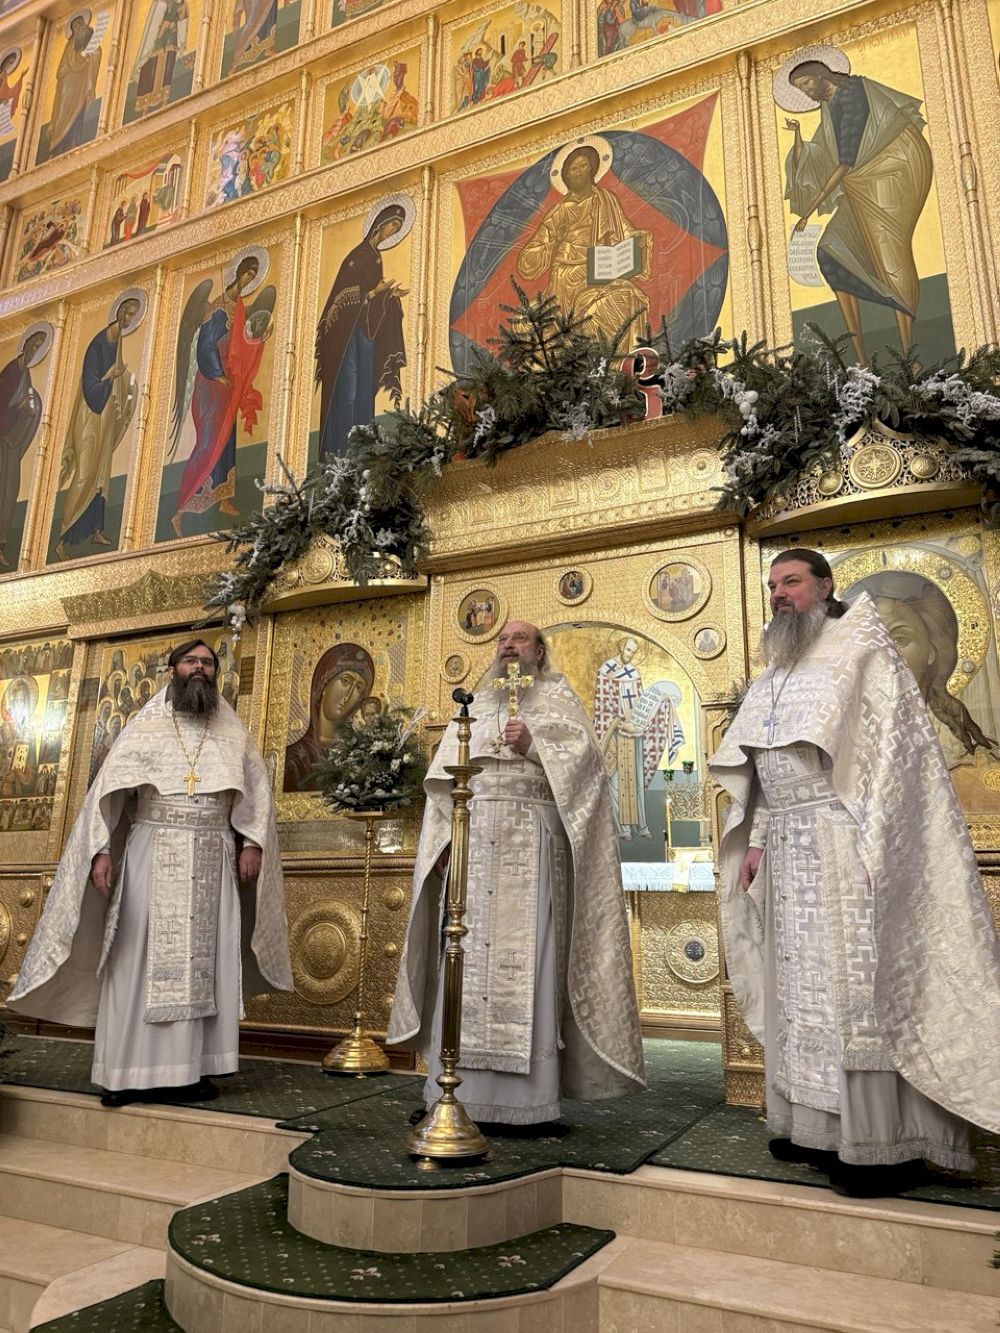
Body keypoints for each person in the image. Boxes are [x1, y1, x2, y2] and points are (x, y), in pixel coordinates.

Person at [710, 549, 999, 1196]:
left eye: (791, 581)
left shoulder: (862, 651)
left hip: (846, 845)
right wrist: (757, 838)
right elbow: (765, 766)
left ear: (824, 585)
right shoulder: (779, 666)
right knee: (799, 992)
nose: (779, 593)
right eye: (773, 584)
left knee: (855, 995)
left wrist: (882, 847)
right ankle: (810, 1128)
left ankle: (877, 1145)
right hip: (790, 848)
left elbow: (894, 762)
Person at [8, 639, 292, 1107]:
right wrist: (100, 851)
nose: (199, 668)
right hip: (152, 851)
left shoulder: (232, 729)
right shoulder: (145, 725)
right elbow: (107, 792)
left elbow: (257, 792)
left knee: (207, 961)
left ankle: (190, 1071)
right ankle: (125, 1073)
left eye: (207, 662)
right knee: (134, 956)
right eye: (191, 661)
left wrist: (253, 842)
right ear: (172, 669)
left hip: (214, 854)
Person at [389, 620, 645, 1125]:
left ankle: (527, 1105)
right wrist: (442, 842)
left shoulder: (558, 698)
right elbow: (442, 785)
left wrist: (534, 744)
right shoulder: (475, 703)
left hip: (531, 847)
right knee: (461, 957)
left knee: (530, 962)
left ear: (539, 651)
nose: (509, 646)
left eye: (520, 639)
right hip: (473, 846)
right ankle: (450, 1095)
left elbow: (589, 770)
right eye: (503, 640)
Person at [780, 58, 933, 365]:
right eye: (800, 88)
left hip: (893, 167)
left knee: (889, 255)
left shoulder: (854, 94)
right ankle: (860, 362)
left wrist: (810, 209)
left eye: (807, 83)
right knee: (829, 251)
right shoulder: (829, 106)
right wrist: (798, 140)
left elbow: (845, 161)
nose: (806, 91)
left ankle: (910, 356)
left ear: (821, 76)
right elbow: (824, 153)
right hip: (859, 181)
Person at [517, 143, 650, 346]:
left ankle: (612, 361)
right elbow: (528, 262)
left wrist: (638, 241)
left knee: (618, 302)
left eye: (583, 166)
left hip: (598, 276)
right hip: (563, 281)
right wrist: (553, 243)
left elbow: (624, 230)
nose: (578, 171)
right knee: (526, 323)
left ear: (592, 170)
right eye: (573, 168)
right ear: (566, 177)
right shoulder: (558, 212)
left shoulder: (606, 200)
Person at [314, 205, 408, 460]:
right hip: (346, 338)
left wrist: (389, 295)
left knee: (364, 385)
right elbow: (343, 298)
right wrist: (376, 292)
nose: (392, 232)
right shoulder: (356, 257)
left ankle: (363, 450)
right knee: (350, 386)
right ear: (380, 223)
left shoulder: (376, 257)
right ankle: (341, 450)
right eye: (392, 226)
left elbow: (371, 296)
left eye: (397, 229)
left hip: (365, 333)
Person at [54, 297, 141, 560]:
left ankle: (96, 530)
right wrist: (110, 376)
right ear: (119, 313)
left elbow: (118, 379)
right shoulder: (97, 345)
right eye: (128, 314)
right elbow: (90, 386)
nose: (129, 319)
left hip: (106, 413)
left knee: (102, 474)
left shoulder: (119, 342)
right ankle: (63, 535)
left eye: (133, 315)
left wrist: (128, 386)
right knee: (84, 473)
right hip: (90, 413)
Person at [592, 635, 684, 839]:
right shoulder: (606, 670)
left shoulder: (633, 672)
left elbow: (642, 703)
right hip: (614, 734)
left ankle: (641, 825)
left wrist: (659, 702)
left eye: (633, 652)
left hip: (634, 734)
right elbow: (602, 705)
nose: (630, 655)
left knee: (637, 780)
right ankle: (622, 829)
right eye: (628, 650)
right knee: (615, 781)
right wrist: (621, 723)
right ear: (620, 647)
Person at [0, 327, 46, 569]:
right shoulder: (10, 373)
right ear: (26, 344)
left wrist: (29, 408)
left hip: (11, 442)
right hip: (3, 440)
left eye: (39, 348)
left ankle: (1, 544)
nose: (35, 350)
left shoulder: (24, 374)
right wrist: (19, 408)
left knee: (10, 490)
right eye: (34, 345)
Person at [47, 12, 102, 158]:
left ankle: (73, 142)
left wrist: (89, 56)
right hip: (68, 84)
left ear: (85, 23)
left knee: (79, 112)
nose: (78, 27)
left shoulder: (90, 35)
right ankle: (56, 145)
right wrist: (81, 56)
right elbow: (65, 66)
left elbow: (96, 51)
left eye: (80, 24)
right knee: (63, 114)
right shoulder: (70, 44)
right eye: (75, 26)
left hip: (82, 83)